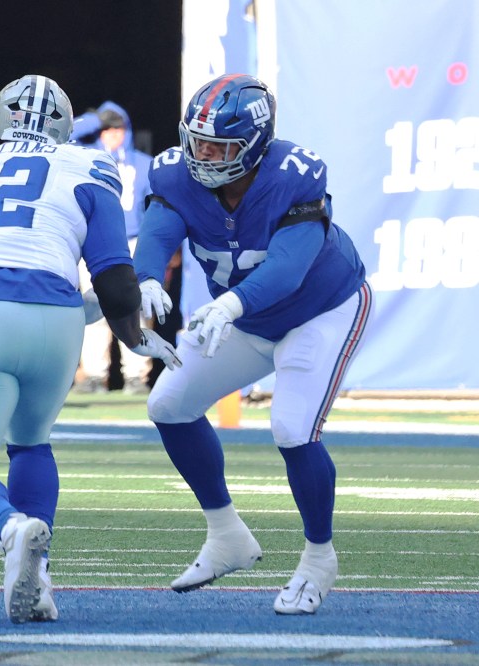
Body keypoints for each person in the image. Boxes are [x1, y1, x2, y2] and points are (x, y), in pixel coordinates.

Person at [0, 74, 181, 623]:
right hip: (57, 321)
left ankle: (9, 527)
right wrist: (131, 333)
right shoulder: (91, 166)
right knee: (31, 442)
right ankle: (38, 579)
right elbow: (115, 280)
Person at [133, 74, 372, 615]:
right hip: (243, 313)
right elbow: (159, 229)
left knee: (291, 427)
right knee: (168, 404)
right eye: (197, 141)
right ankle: (227, 535)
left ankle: (318, 560)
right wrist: (147, 277)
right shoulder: (177, 173)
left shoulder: (294, 175)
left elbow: (288, 269)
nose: (203, 155)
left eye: (219, 145)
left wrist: (229, 305)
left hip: (321, 309)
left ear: (257, 144)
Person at [71, 102, 154, 394]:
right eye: (106, 129)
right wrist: (93, 119)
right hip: (92, 240)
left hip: (132, 241)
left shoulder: (144, 163)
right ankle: (94, 373)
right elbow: (66, 135)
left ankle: (136, 373)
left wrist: (156, 251)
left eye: (118, 128)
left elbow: (156, 212)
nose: (112, 134)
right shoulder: (85, 156)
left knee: (137, 307)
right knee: (93, 309)